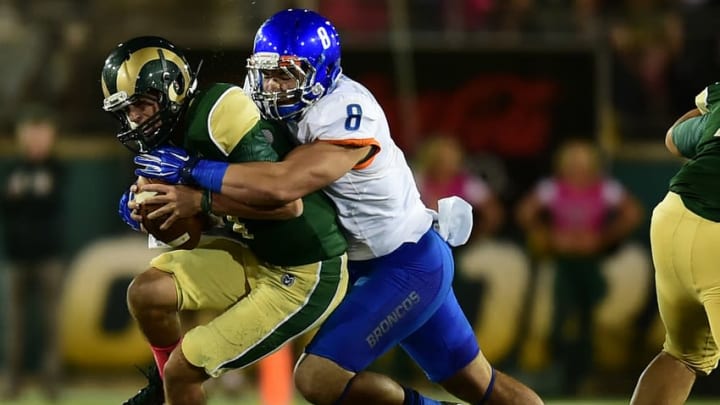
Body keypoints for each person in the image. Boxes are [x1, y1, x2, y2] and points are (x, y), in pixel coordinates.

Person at [134, 9, 544, 405]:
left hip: (403, 263)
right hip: (357, 264)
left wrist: (194, 170)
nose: (272, 87)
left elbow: (283, 186)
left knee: (319, 378)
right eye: (266, 73)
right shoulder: (266, 106)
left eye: (284, 75)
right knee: (479, 385)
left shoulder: (346, 111)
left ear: (322, 72)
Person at [101, 35, 349, 405]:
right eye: (126, 110)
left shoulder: (221, 110)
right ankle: (163, 391)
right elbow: (185, 238)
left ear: (172, 90)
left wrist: (200, 199)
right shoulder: (161, 136)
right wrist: (150, 213)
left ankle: (173, 384)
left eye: (141, 104)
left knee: (184, 370)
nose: (134, 117)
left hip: (304, 270)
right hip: (256, 251)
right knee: (146, 293)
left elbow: (286, 205)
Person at [516, 138, 643, 395]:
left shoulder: (605, 188)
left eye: (582, 160)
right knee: (560, 318)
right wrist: (550, 237)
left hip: (590, 263)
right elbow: (525, 212)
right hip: (563, 264)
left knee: (588, 321)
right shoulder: (552, 188)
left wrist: (602, 238)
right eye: (572, 160)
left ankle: (582, 376)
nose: (577, 166)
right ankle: (559, 372)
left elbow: (632, 212)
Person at [629, 82, 720, 404]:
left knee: (683, 355)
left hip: (673, 215)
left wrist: (710, 117)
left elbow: (674, 139)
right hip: (716, 232)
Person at [0, 105, 65, 401]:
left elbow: (47, 203)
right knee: (14, 326)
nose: (37, 141)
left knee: (51, 325)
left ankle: (51, 385)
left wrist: (23, 195)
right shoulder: (12, 168)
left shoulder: (57, 168)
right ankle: (13, 382)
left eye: (42, 135)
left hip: (48, 256)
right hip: (16, 256)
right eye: (32, 135)